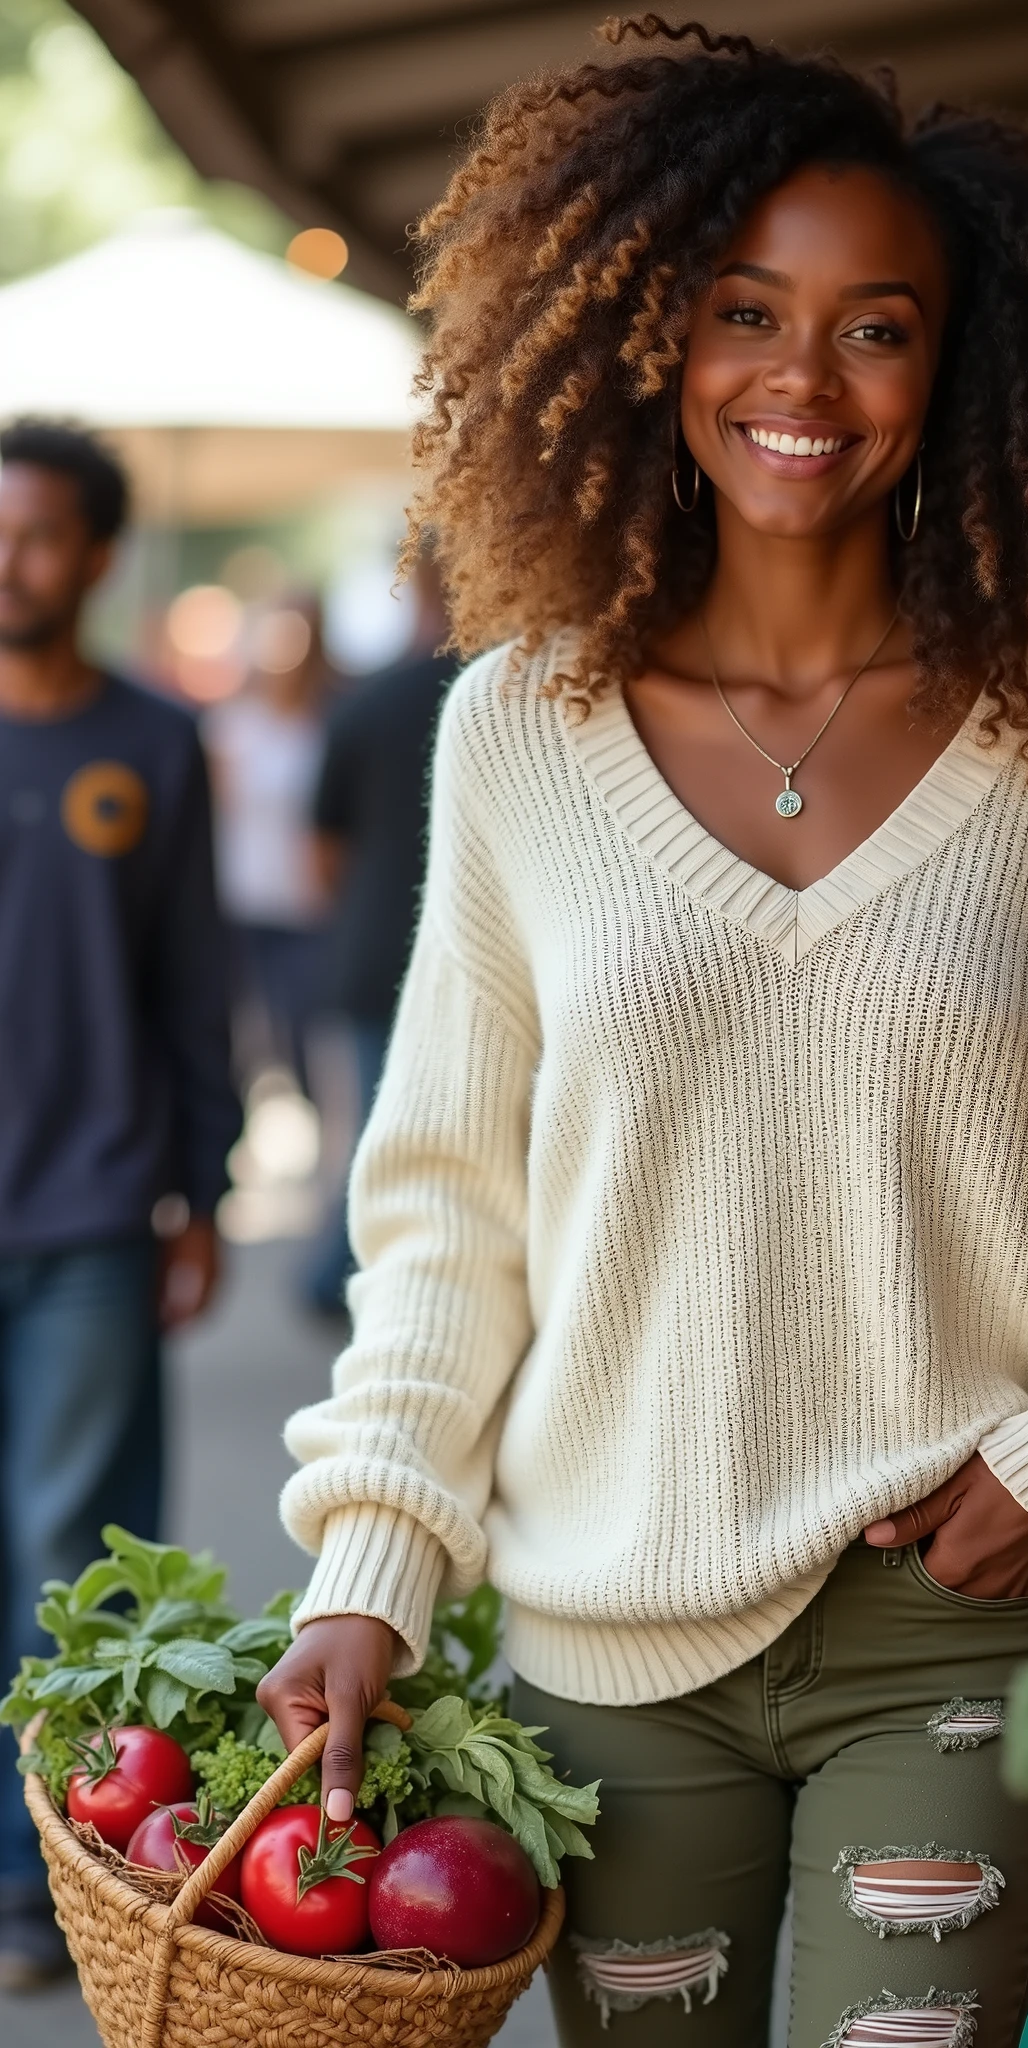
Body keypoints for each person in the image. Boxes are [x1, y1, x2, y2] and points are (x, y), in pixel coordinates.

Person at [258, 24, 1028, 2048]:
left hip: (952, 1617)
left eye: (876, 327)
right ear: (653, 337)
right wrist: (366, 1564)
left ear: (960, 365)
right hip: (601, 1639)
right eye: (748, 312)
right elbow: (449, 1212)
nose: (803, 381)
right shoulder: (518, 733)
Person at [0, 419, 241, 1988]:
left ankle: (43, 1887)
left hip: (92, 1209)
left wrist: (201, 1187)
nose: (8, 562)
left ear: (96, 557)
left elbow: (191, 984)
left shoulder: (153, 744)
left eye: (37, 535)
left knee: (66, 1557)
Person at [303, 560, 456, 1314]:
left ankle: (345, 1277)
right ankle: (351, 1278)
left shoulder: (365, 702)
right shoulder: (527, 693)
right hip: (461, 961)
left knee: (377, 1133)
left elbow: (323, 851)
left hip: (376, 947)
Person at [203, 593, 332, 1099]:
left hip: (302, 906)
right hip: (239, 899)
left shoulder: (320, 727)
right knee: (243, 1030)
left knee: (301, 1025)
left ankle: (313, 1119)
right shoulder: (231, 727)